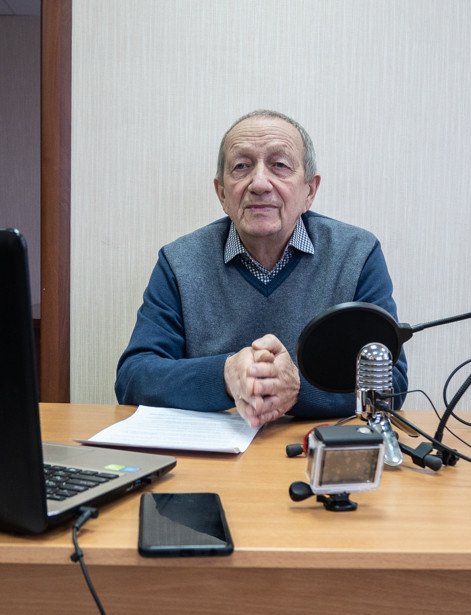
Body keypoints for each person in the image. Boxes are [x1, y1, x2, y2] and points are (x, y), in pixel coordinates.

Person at [115, 110, 407, 427]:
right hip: (211, 451)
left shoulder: (357, 254)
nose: (259, 183)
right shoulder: (179, 262)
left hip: (310, 446)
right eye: (242, 166)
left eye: (279, 165)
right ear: (222, 193)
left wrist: (297, 388)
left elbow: (391, 382)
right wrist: (225, 375)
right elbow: (134, 378)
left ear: (309, 191)